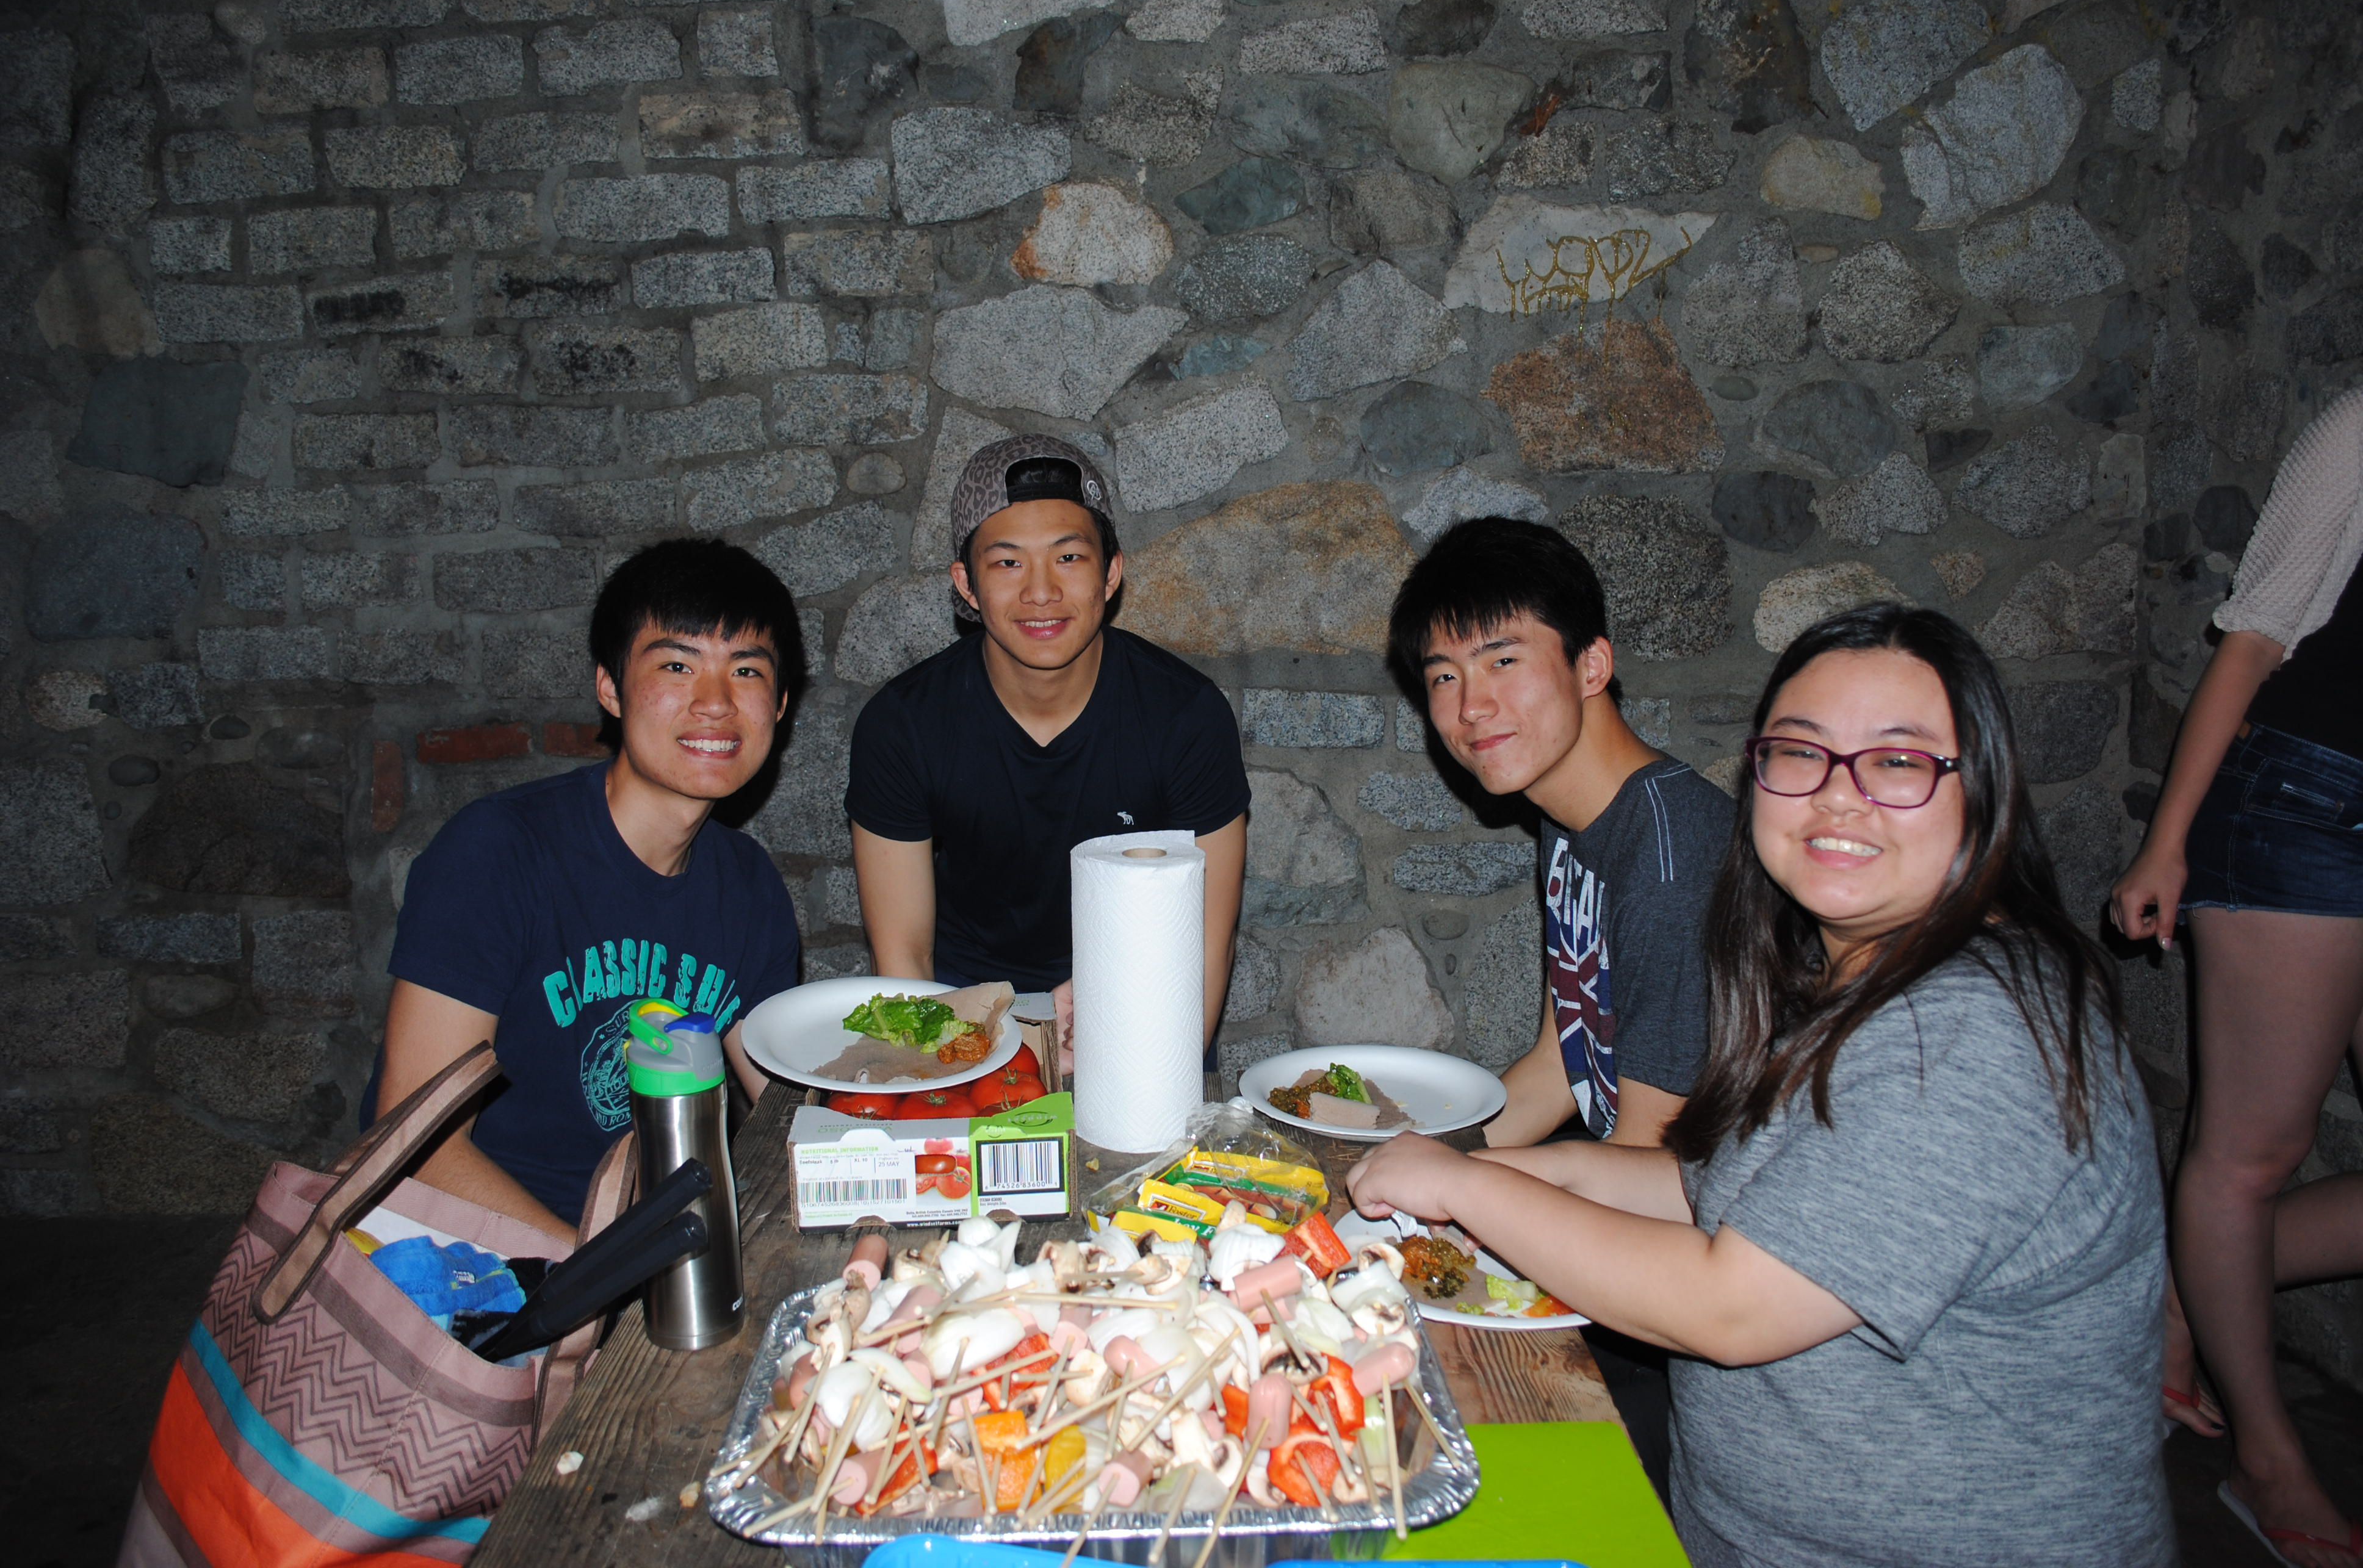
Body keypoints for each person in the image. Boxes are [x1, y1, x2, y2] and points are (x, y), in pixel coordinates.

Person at [1350, 604, 2173, 1567]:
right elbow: (1724, 1184)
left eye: (1897, 762)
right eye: (1801, 754)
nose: (1839, 798)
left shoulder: (1972, 1030)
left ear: (1983, 788)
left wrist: (1465, 1185)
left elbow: (1731, 1307)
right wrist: (1513, 1172)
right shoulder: (1850, 975)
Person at [1385, 516, 1730, 1494]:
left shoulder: (1672, 860)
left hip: (1689, 1297)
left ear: (1592, 666)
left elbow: (1650, 1160)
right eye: (1443, 675)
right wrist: (1407, 1171)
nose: (1470, 707)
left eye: (1503, 659)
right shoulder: (1572, 823)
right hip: (1617, 1222)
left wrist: (1452, 1192)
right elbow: (1558, 1067)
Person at [368, 539, 804, 1240]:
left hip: (654, 1249)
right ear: (609, 687)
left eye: (746, 670)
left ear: (779, 704)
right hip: (466, 1256)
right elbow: (414, 1146)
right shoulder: (497, 852)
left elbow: (787, 1110)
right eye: (676, 665)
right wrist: (592, 1279)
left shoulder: (749, 886)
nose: (716, 702)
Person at [2111, 385, 2363, 1566]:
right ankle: (2265, 1461)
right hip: (2304, 807)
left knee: (2243, 1182)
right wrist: (2166, 843)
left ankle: (2183, 1282)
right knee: (2254, 1151)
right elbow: (2254, 641)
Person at [845, 435, 1249, 1046]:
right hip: (964, 998)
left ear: (1110, 573)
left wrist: (1153, 1060)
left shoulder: (1185, 717)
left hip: (1140, 989)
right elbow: (904, 952)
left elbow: (1204, 944)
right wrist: (941, 1064)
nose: (1041, 592)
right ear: (966, 585)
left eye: (1068, 557)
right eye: (1008, 563)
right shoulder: (904, 724)